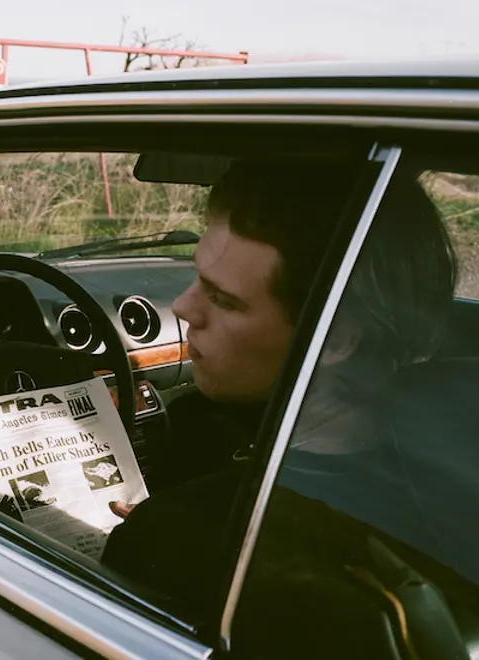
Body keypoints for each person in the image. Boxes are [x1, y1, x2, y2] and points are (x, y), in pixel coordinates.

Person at [99, 160, 458, 621]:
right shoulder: (465, 477)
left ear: (335, 339)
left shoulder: (180, 536)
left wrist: (158, 535)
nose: (184, 308)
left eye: (223, 300)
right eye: (197, 279)